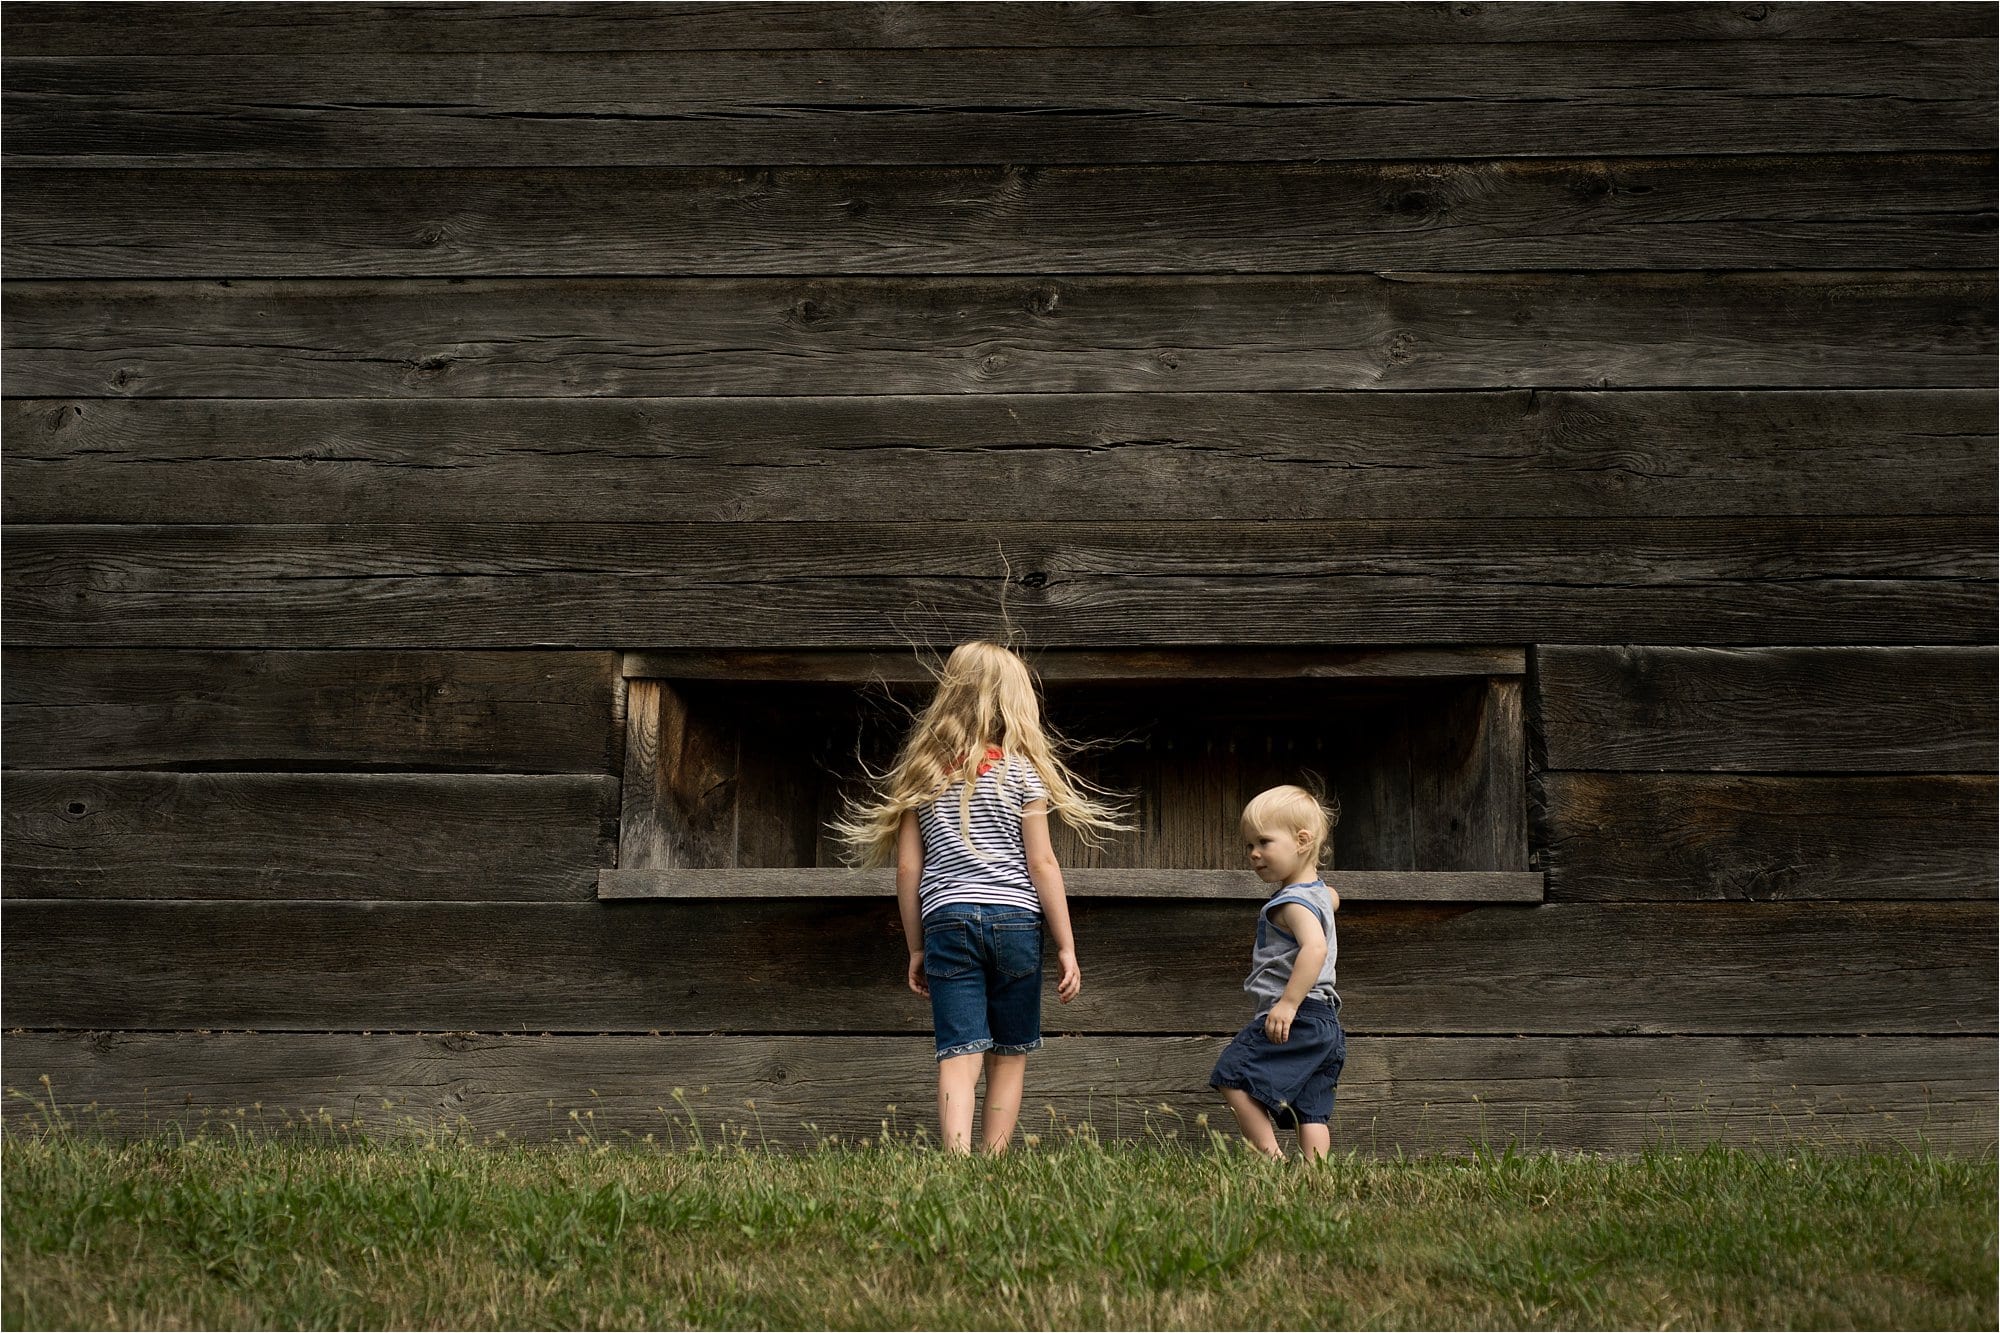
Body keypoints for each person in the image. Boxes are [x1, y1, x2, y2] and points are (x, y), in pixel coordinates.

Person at [831, 640, 1127, 1153]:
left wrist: (916, 946)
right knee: (1009, 1054)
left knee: (958, 1052)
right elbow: (1042, 864)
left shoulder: (921, 774)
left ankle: (957, 1159)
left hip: (946, 920)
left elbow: (908, 868)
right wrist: (1066, 945)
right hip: (1016, 922)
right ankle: (993, 1162)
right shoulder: (1022, 772)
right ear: (1013, 702)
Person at [1209, 783, 1345, 1161]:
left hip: (1297, 1014)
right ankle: (1316, 1175)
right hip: (1326, 1022)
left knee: (1231, 1075)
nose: (1254, 854)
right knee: (1311, 1107)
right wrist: (1328, 898)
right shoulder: (1318, 894)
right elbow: (1332, 898)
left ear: (1303, 840)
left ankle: (1269, 1160)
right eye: (1248, 846)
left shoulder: (1291, 903)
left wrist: (1287, 1003)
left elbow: (1314, 948)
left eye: (1264, 842)